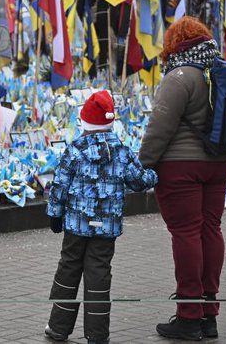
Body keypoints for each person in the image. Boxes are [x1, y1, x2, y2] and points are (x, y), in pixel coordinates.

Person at [139, 16, 226, 341]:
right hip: (220, 164)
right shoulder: (220, 71)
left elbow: (159, 128)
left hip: (181, 168)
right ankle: (209, 315)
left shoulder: (179, 76)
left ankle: (189, 314)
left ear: (174, 44)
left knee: (186, 234)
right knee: (211, 230)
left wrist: (142, 166)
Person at [45, 90, 157, 344]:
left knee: (69, 268)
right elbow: (139, 181)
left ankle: (58, 327)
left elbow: (60, 185)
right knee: (99, 273)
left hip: (76, 225)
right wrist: (155, 174)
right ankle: (97, 334)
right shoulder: (122, 151)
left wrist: (54, 213)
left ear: (84, 122)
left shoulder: (75, 149)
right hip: (106, 226)